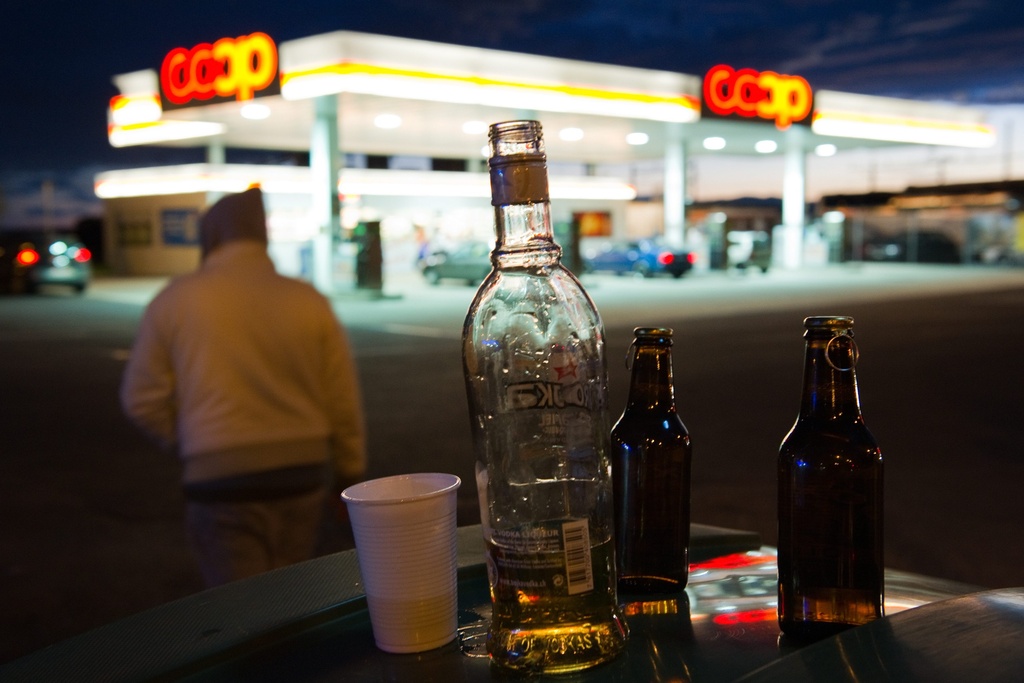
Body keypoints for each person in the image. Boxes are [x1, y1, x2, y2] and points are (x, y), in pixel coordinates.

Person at [120, 187, 366, 587]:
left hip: (218, 481)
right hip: (301, 475)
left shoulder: (174, 299)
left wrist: (189, 442)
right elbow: (342, 398)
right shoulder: (307, 299)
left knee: (240, 608)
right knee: (292, 596)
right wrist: (349, 470)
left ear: (210, 236)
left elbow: (140, 399)